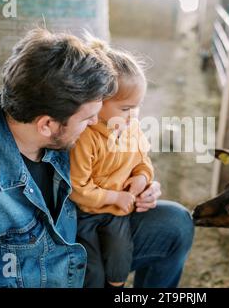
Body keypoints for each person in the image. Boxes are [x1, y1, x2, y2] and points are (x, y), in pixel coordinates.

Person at [0, 28, 194, 288]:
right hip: (44, 275)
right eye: (86, 119)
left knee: (176, 224)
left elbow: (122, 153)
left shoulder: (46, 116)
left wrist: (141, 180)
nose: (96, 122)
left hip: (78, 244)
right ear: (47, 125)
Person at [70, 40, 154, 288]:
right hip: (85, 214)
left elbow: (142, 160)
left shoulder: (131, 128)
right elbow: (78, 188)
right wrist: (114, 197)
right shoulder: (87, 137)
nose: (133, 116)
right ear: (99, 100)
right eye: (126, 108)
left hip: (118, 213)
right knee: (91, 271)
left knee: (120, 261)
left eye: (137, 108)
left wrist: (143, 177)